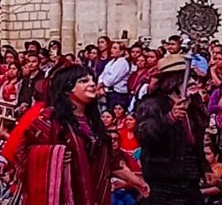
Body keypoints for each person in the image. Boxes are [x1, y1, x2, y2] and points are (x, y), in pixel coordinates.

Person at [11, 63, 148, 204]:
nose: (92, 84)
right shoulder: (50, 119)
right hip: (64, 198)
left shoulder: (95, 123)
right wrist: (54, 156)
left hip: (93, 196)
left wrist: (138, 182)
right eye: (83, 81)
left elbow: (111, 163)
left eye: (92, 80)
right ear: (67, 90)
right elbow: (21, 154)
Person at [135, 53, 210, 203]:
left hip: (190, 178)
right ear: (173, 81)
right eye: (187, 78)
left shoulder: (194, 105)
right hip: (163, 180)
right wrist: (170, 118)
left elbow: (197, 142)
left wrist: (205, 168)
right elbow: (144, 134)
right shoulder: (152, 105)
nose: (193, 81)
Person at [99, 41, 132, 111]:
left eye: (115, 48)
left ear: (122, 51)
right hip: (109, 93)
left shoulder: (123, 63)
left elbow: (111, 80)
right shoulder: (111, 61)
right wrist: (100, 83)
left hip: (118, 94)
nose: (112, 50)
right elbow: (102, 74)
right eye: (111, 48)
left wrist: (103, 83)